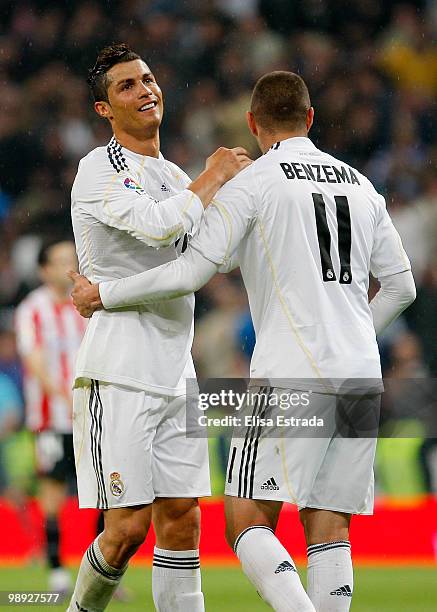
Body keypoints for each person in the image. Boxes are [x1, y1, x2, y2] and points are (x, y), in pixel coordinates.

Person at [71, 70, 416, 611]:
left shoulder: (256, 182)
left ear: (253, 124)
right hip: (359, 373)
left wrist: (103, 293)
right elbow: (401, 286)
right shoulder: (360, 184)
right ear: (310, 119)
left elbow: (189, 272)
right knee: (328, 523)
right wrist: (353, 337)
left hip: (289, 371)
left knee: (245, 519)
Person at [68, 43, 251, 612]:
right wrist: (214, 175)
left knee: (182, 517)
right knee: (126, 528)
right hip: (120, 371)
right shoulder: (99, 169)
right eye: (126, 86)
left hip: (177, 372)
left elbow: (199, 263)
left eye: (148, 79)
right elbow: (154, 227)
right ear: (104, 110)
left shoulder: (173, 174)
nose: (145, 90)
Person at [15, 239, 87, 595]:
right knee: (53, 490)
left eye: (71, 260)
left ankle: (100, 571)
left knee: (107, 492)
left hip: (92, 416)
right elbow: (35, 361)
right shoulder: (32, 310)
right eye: (60, 261)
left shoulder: (88, 303)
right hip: (51, 418)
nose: (68, 267)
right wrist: (64, 395)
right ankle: (56, 568)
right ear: (44, 270)